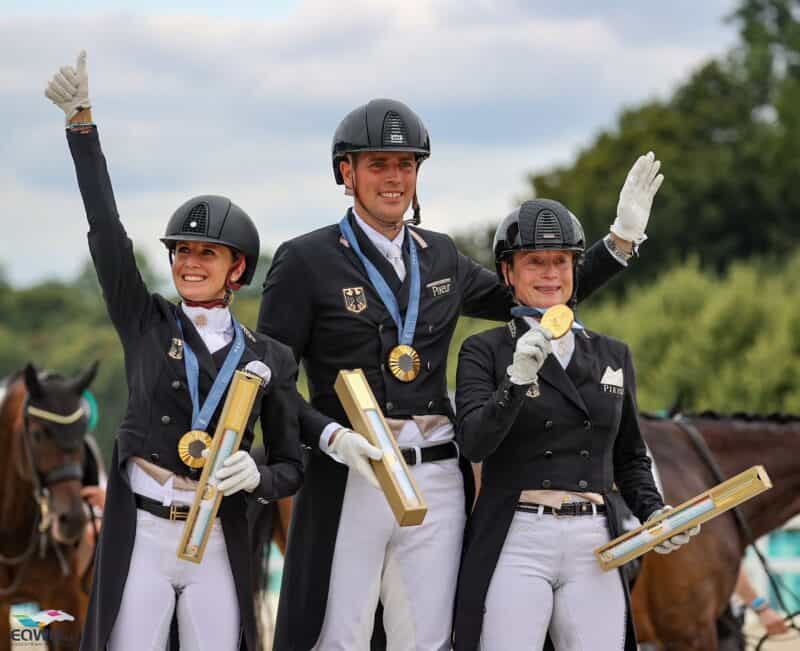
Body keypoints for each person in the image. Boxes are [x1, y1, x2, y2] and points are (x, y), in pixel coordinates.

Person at [258, 98, 663, 650]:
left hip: (437, 473)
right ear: (346, 173)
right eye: (378, 164)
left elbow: (536, 295)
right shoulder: (304, 260)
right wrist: (325, 435)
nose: (394, 178)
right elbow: (270, 379)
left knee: (427, 639)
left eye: (405, 164)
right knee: (339, 636)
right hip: (354, 465)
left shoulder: (441, 255)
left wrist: (616, 246)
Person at [45, 51, 303, 651]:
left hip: (217, 535)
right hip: (144, 533)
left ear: (236, 267)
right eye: (181, 252)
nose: (188, 263)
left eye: (205, 253)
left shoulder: (271, 358)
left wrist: (257, 475)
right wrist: (82, 128)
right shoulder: (146, 320)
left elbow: (291, 466)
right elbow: (107, 235)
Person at [453, 198, 700, 650]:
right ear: (508, 273)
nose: (550, 274)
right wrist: (514, 383)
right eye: (536, 262)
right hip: (516, 536)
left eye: (561, 262)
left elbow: (629, 456)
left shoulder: (612, 354)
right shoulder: (484, 350)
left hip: (593, 541)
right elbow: (473, 442)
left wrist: (655, 512)